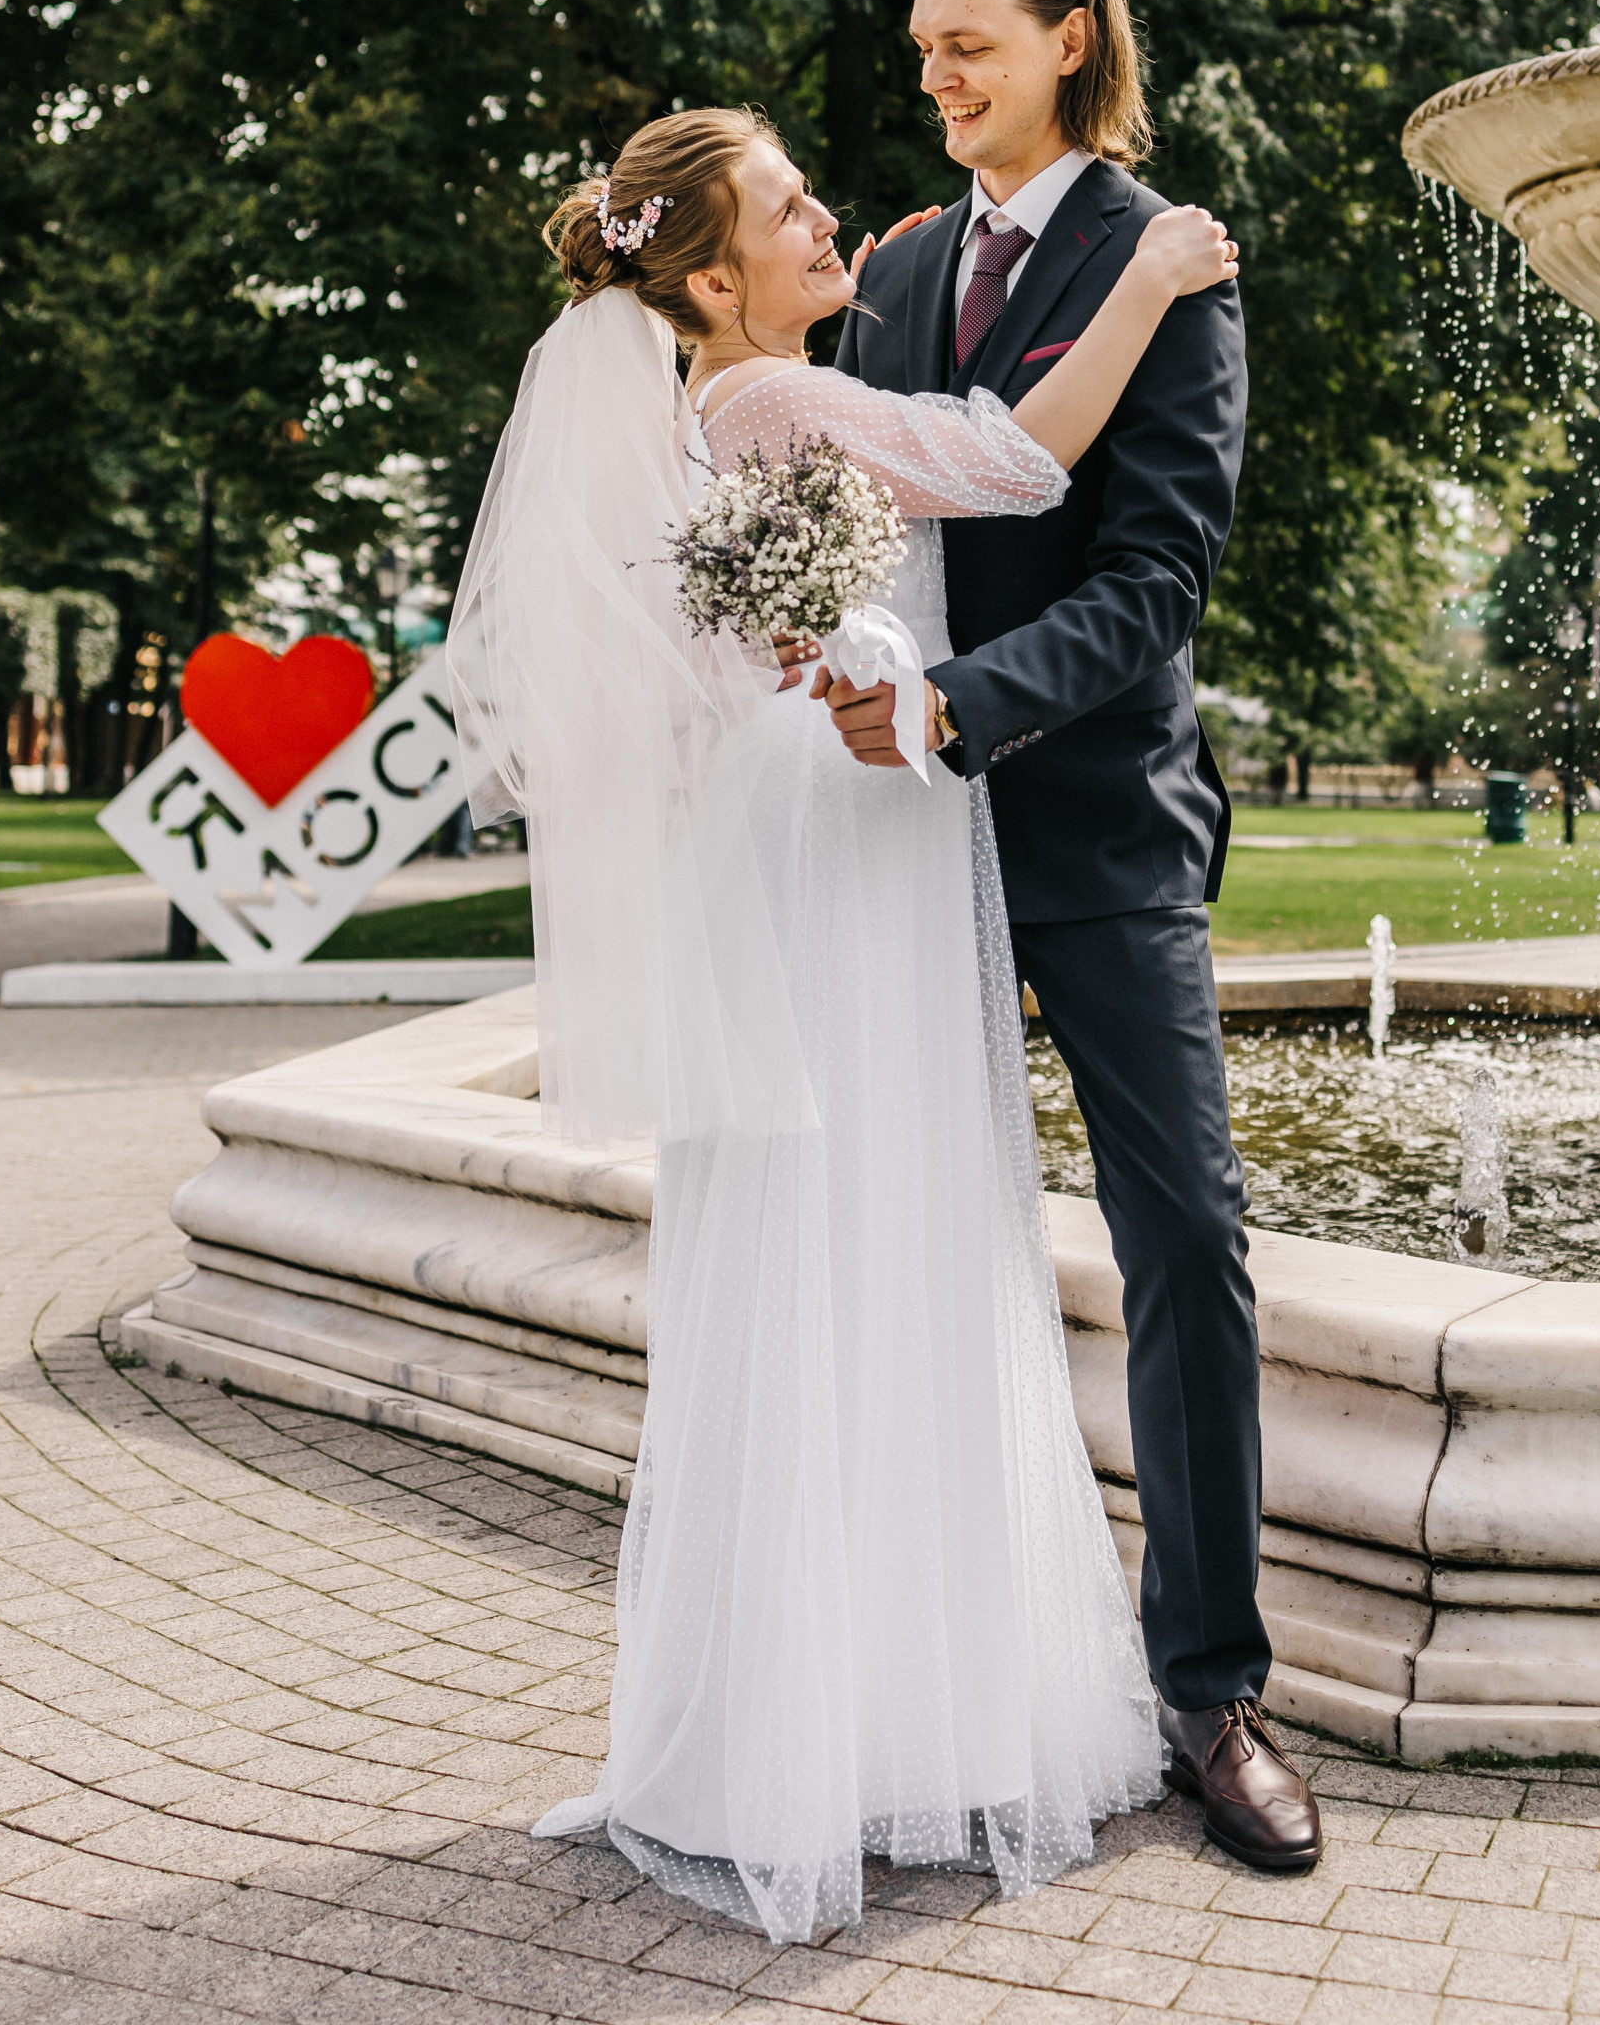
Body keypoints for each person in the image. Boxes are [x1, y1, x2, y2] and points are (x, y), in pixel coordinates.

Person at [447, 102, 1242, 1942]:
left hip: (823, 824)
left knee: (850, 1242)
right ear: (710, 272)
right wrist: (1148, 270)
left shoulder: (724, 398)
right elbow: (1027, 461)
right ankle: (900, 1712)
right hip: (852, 829)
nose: (837, 226)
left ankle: (832, 1711)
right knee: (884, 1228)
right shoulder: (775, 403)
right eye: (793, 210)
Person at [822, 0, 1320, 1877]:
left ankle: (1208, 1690)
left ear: (1064, 38)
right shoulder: (895, 269)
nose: (934, 74)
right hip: (890, 843)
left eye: (968, 43)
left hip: (1096, 832)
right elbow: (855, 519)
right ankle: (917, 1677)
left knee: (1185, 1240)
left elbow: (1154, 581)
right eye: (922, 42)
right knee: (899, 1251)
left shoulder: (1167, 260)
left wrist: (957, 706)